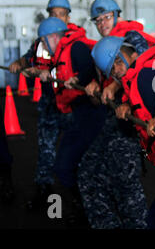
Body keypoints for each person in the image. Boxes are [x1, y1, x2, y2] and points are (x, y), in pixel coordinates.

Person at [78, 36, 155, 228]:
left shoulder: (145, 74)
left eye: (119, 62)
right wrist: (127, 104)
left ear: (135, 54)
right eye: (112, 69)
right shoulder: (131, 81)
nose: (117, 71)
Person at [8, 0, 83, 210]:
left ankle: (77, 197)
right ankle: (45, 192)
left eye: (62, 14)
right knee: (46, 148)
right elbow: (29, 57)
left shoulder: (76, 42)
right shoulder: (41, 41)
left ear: (68, 17)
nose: (58, 18)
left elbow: (81, 70)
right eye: (53, 14)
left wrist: (46, 71)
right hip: (50, 103)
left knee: (75, 153)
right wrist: (19, 63)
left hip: (72, 106)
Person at [36, 17, 106, 226]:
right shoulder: (58, 57)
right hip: (77, 114)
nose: (43, 45)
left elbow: (87, 71)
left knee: (69, 165)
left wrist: (77, 80)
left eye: (44, 40)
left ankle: (87, 211)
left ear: (53, 36)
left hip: (90, 114)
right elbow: (56, 90)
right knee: (67, 165)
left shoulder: (76, 48)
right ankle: (83, 208)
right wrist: (47, 77)